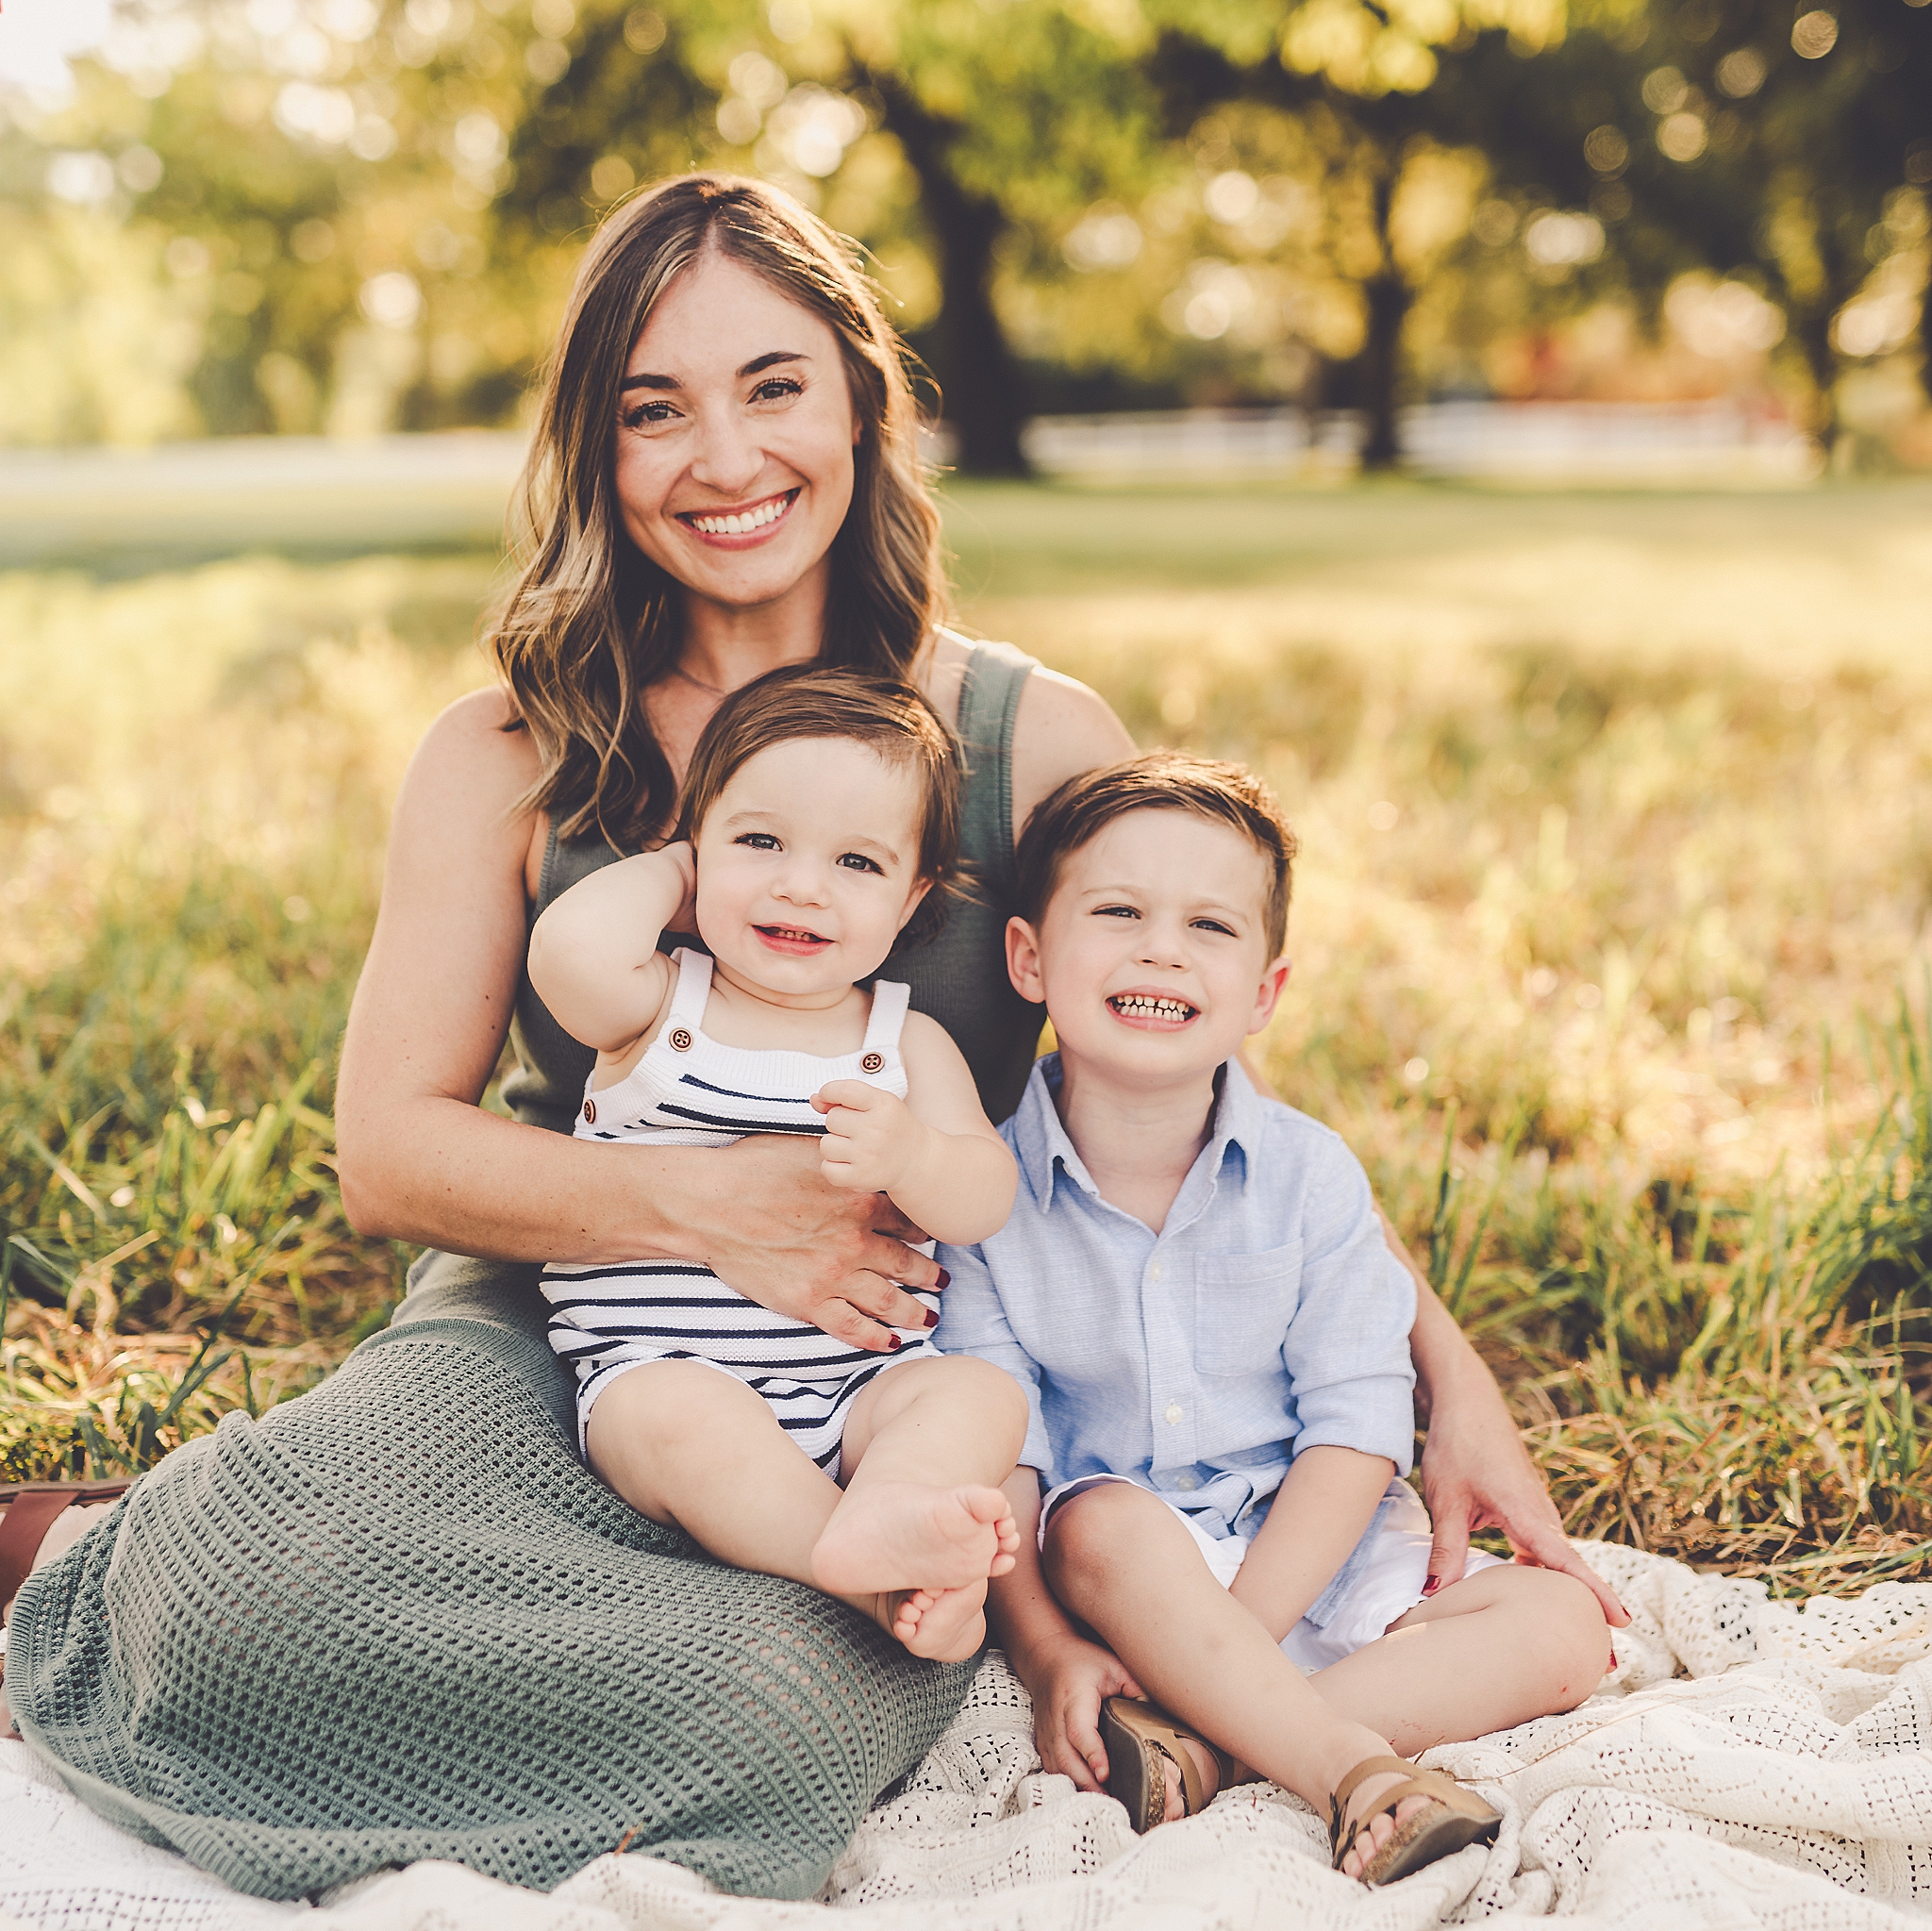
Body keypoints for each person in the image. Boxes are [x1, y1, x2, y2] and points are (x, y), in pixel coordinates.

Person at [5, 174, 1621, 1902]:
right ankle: (102, 1547)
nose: (722, 456)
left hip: (885, 1379)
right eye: (652, 408)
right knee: (258, 1605)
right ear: (595, 450)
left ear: (861, 397)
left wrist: (1444, 1384)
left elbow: (1201, 1091)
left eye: (771, 384)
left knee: (763, 1717)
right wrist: (710, 1213)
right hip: (561, 1318)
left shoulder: (1024, 736)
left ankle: (263, 1558)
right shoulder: (511, 746)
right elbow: (391, 1154)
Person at [933, 755, 1613, 1883]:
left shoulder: (1310, 1175)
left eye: (1209, 925)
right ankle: (1353, 1770)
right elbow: (1002, 1453)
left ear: (1263, 993)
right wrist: (1049, 1650)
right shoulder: (983, 1192)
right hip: (1142, 1574)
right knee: (1096, 1521)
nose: (1160, 948)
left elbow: (1357, 1424)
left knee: (1562, 1626)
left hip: (1326, 1551)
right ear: (1027, 957)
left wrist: (1237, 1647)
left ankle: (1215, 1744)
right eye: (1117, 912)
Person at [529, 666, 1025, 1660]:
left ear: (912, 895)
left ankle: (888, 1505)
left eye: (856, 861)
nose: (800, 884)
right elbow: (568, 953)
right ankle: (844, 1560)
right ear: (698, 844)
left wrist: (915, 1150)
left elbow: (982, 1196)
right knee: (679, 1421)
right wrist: (678, 867)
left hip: (855, 1391)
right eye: (757, 841)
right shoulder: (659, 1006)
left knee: (978, 1397)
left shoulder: (902, 1041)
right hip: (663, 1371)